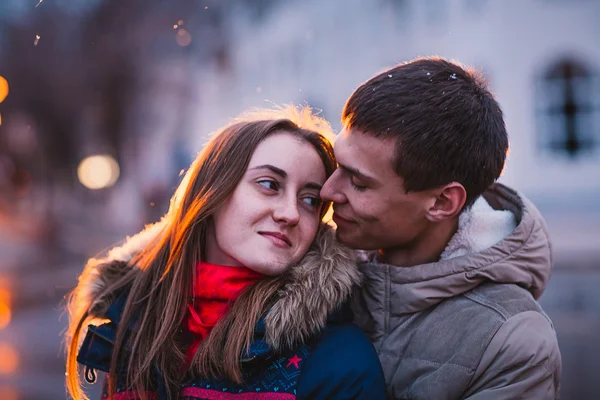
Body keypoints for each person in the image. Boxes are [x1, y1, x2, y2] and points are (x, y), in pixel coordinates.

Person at [65, 106, 386, 400]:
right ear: (212, 193)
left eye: (310, 201)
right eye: (269, 184)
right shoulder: (134, 318)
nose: (290, 213)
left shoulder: (338, 358)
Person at [320, 57, 562, 399]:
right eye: (336, 163)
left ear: (442, 203)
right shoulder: (300, 267)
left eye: (358, 182)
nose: (327, 192)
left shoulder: (511, 343)